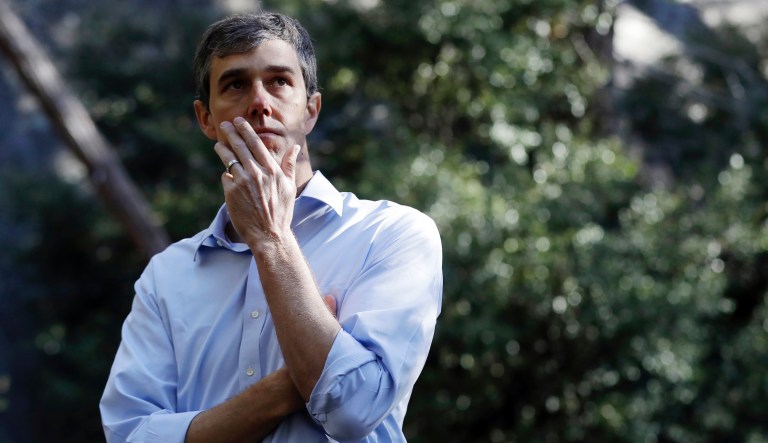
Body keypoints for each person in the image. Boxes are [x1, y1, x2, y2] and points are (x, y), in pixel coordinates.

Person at [99, 11, 443, 443]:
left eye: (279, 81)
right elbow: (130, 435)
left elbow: (354, 411)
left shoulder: (392, 234)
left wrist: (272, 238)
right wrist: (291, 385)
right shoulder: (166, 276)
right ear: (206, 119)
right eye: (235, 84)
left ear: (311, 110)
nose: (260, 102)